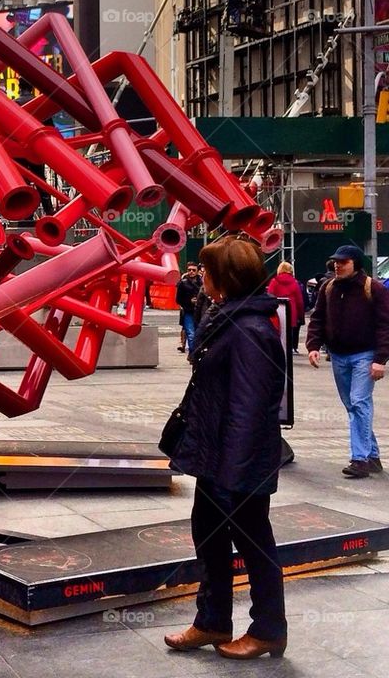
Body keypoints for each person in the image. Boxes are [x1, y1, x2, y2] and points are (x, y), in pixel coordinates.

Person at [164, 235, 288, 660]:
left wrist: (232, 474)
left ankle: (269, 629)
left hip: (239, 463)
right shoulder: (228, 318)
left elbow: (250, 408)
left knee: (254, 544)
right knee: (209, 537)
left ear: (225, 277)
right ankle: (212, 620)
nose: (202, 279)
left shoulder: (250, 330)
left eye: (208, 272)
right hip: (216, 456)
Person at [306, 244, 389, 479]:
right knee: (352, 405)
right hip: (338, 355)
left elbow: (385, 325)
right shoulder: (328, 287)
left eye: (343, 262)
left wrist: (380, 359)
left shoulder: (374, 288)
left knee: (359, 402)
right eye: (336, 261)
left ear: (356, 264)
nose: (337, 265)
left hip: (365, 354)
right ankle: (372, 455)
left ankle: (360, 459)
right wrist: (313, 346)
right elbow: (318, 318)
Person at [267, 262, 306, 355]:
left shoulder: (274, 281)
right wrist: (300, 315)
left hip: (276, 311)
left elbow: (269, 296)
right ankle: (290, 349)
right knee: (289, 333)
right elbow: (299, 301)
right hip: (291, 311)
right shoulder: (295, 282)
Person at [175, 262, 202, 352]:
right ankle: (192, 353)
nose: (191, 272)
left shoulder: (202, 282)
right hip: (188, 311)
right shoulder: (183, 283)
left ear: (197, 271)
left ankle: (195, 352)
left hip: (200, 312)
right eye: (189, 270)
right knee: (191, 334)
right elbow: (178, 299)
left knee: (199, 333)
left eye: (193, 270)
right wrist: (189, 301)